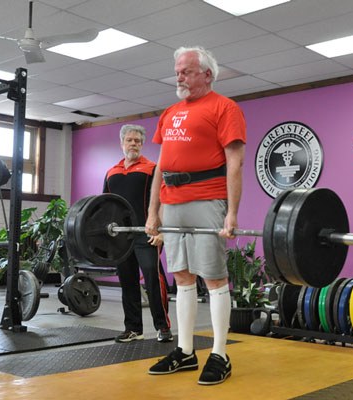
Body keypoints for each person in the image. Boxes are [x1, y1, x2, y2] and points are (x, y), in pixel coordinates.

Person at [145, 46, 246, 385]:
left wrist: (232, 212)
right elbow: (161, 165)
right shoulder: (170, 112)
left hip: (206, 199)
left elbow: (235, 162)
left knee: (214, 278)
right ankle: (185, 351)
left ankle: (220, 353)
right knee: (182, 277)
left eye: (186, 70)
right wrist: (152, 211)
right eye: (177, 71)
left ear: (207, 74)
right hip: (171, 201)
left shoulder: (225, 108)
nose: (179, 76)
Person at [103, 124, 173, 343]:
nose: (133, 144)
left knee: (153, 277)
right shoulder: (111, 172)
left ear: (142, 144)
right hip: (121, 236)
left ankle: (163, 327)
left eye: (138, 141)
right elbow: (106, 205)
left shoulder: (152, 168)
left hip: (147, 232)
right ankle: (133, 328)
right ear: (122, 142)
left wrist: (161, 231)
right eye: (130, 140)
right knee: (127, 281)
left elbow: (164, 200)